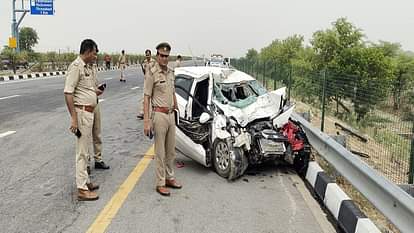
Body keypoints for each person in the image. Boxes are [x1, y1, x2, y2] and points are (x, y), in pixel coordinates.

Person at [63, 39, 100, 201]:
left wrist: (95, 93)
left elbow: (85, 90)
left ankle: (85, 181)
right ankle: (82, 189)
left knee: (86, 151)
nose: (95, 56)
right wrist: (74, 118)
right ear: (87, 51)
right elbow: (68, 93)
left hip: (89, 113)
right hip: (82, 113)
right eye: (94, 53)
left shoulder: (87, 68)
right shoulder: (76, 67)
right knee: (81, 153)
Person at [143, 42, 182, 196]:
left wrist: (177, 107)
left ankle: (169, 177)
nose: (164, 58)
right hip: (158, 115)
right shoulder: (152, 72)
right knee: (160, 151)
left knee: (171, 150)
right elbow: (146, 97)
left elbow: (172, 92)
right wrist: (146, 121)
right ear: (157, 55)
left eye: (166, 56)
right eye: (161, 55)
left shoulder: (171, 72)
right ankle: (160, 182)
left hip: (171, 114)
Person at [137, 49, 156, 119]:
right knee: (144, 97)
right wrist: (142, 66)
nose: (147, 56)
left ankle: (153, 112)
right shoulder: (145, 62)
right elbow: (144, 72)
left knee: (152, 98)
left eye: (148, 54)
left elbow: (155, 72)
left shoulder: (153, 62)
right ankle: (142, 112)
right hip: (146, 81)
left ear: (150, 55)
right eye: (146, 55)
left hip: (152, 81)